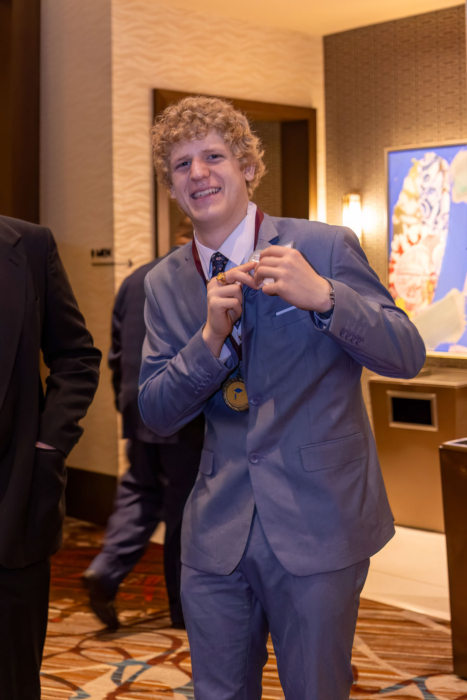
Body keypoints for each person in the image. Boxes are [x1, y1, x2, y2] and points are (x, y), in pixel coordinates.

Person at [138, 96, 426, 699]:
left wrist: (326, 297)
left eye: (213, 156)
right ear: (172, 186)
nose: (198, 173)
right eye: (182, 164)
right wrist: (209, 341)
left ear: (247, 166)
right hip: (215, 535)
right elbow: (157, 412)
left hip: (320, 522)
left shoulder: (324, 247)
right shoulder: (164, 282)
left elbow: (406, 354)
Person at [84, 218, 204, 630]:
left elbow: (116, 352)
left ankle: (105, 570)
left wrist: (127, 407)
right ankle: (183, 609)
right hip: (183, 414)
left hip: (138, 408)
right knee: (185, 511)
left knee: (140, 491)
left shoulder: (136, 279)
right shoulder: (202, 280)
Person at [0, 215, 101, 700]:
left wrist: (48, 446)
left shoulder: (30, 245)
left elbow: (76, 356)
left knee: (13, 679)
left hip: (14, 504)